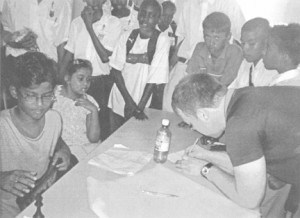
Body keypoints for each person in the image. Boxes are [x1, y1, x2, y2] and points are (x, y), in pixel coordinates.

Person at [172, 73, 300, 217]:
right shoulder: (244, 96)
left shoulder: (240, 124)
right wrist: (207, 155)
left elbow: (249, 200)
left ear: (203, 115)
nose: (193, 129)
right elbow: (250, 168)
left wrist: (206, 169)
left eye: (191, 124)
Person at [0, 52, 71, 218]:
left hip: (43, 205)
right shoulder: (2, 126)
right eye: (31, 95)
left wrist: (65, 150)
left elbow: (56, 139)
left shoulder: (54, 118)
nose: (40, 104)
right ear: (15, 92)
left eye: (46, 95)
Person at [162, 0, 245, 112]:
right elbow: (181, 37)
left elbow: (241, 39)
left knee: (206, 114)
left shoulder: (230, 5)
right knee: (170, 109)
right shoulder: (188, 4)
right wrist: (171, 66)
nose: (211, 41)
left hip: (218, 73)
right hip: (186, 65)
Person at [61, 0, 122, 140]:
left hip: (100, 83)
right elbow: (69, 54)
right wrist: (60, 80)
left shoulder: (113, 23)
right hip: (77, 81)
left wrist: (89, 26)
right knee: (76, 124)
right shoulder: (76, 23)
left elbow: (105, 56)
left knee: (100, 127)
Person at [108, 0, 170, 133]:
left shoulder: (162, 40)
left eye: (151, 15)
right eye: (142, 13)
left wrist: (139, 107)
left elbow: (154, 78)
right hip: (120, 99)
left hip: (142, 103)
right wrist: (129, 102)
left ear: (158, 19)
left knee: (136, 140)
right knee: (114, 142)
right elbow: (116, 71)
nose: (145, 18)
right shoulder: (127, 36)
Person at [52, 59, 101, 160]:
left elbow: (93, 138)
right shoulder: (54, 94)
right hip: (63, 148)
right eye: (81, 79)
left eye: (88, 80)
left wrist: (94, 110)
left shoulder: (89, 101)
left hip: (86, 147)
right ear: (67, 78)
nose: (85, 84)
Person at [1, 0, 73, 64]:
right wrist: (14, 40)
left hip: (47, 67)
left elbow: (62, 43)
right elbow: (4, 28)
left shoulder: (63, 3)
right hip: (15, 63)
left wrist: (59, 75)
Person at [186, 12, 243, 86]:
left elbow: (224, 85)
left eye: (216, 37)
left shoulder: (234, 52)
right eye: (207, 36)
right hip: (202, 93)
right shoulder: (200, 48)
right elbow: (192, 79)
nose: (211, 42)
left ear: (228, 37)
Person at [229, 18, 278, 89]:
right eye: (242, 43)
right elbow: (232, 90)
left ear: (265, 43)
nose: (244, 48)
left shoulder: (272, 70)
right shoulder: (245, 63)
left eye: (251, 43)